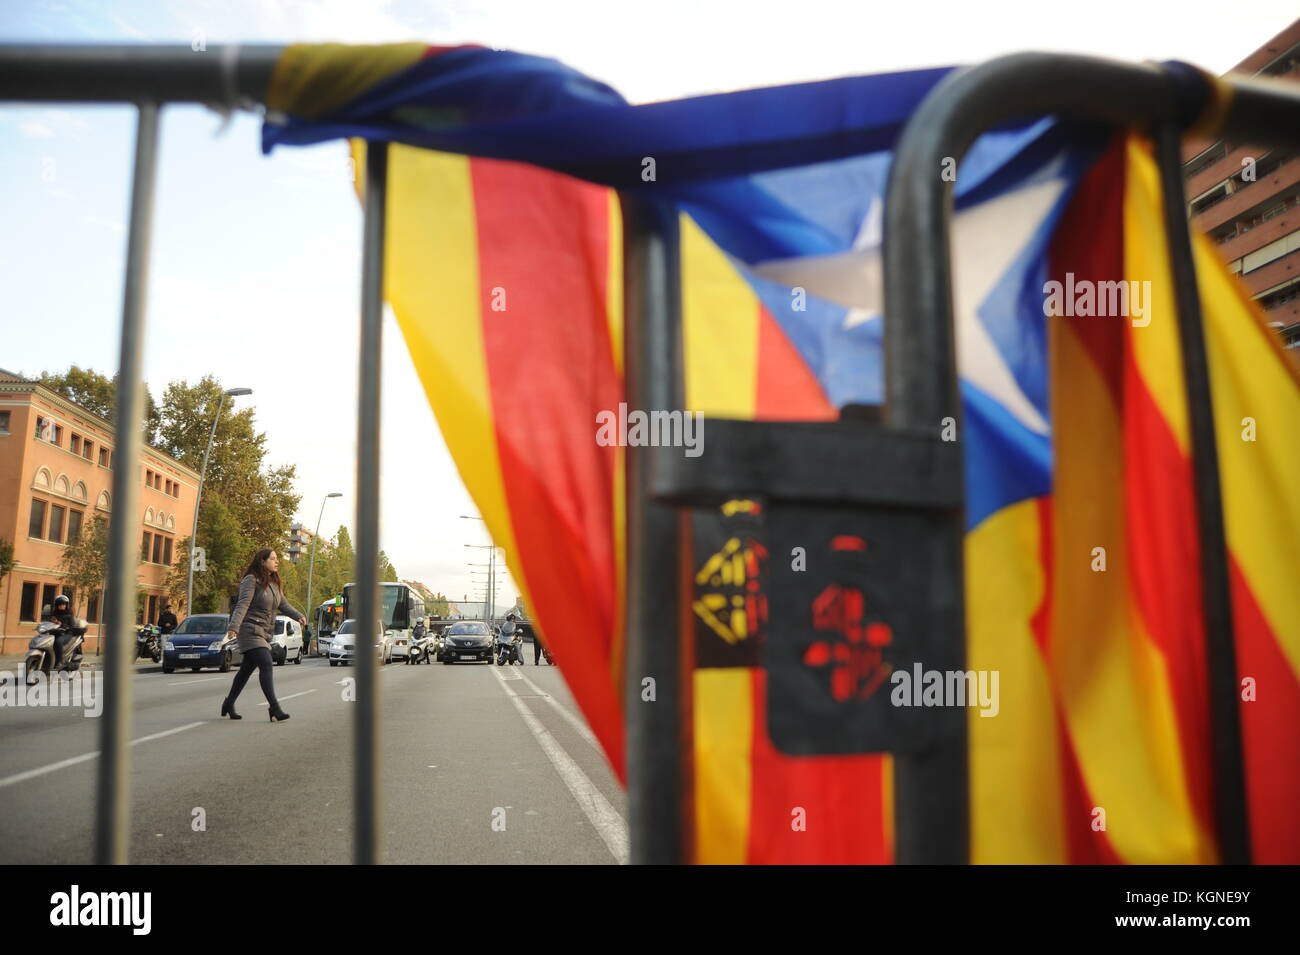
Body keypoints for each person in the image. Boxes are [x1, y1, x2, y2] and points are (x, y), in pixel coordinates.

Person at [220, 549, 305, 722]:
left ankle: (229, 703)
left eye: (277, 559)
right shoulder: (251, 580)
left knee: (245, 671)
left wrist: (298, 616)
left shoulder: (273, 583)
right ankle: (275, 707)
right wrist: (234, 627)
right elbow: (242, 604)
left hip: (264, 632)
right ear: (262, 561)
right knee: (266, 663)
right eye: (273, 559)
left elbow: (284, 604)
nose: (277, 562)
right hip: (249, 630)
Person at [45, 594, 76, 667]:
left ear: (66, 605)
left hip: (66, 633)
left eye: (63, 604)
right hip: (55, 633)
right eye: (59, 604)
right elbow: (48, 622)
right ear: (56, 605)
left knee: (58, 641)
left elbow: (72, 625)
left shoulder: (69, 614)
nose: (61, 606)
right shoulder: (54, 614)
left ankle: (60, 661)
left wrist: (62, 625)